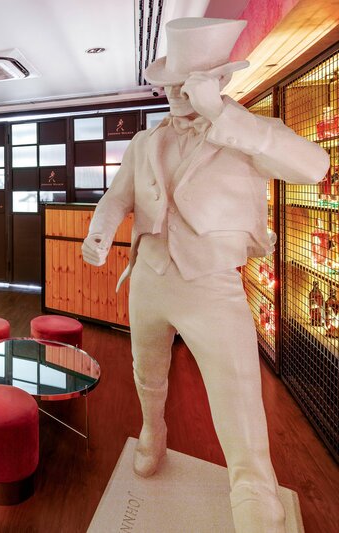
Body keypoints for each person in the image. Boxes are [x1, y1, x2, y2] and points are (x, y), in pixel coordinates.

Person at [82, 17, 329, 533]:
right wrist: (100, 231)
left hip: (212, 281)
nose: (175, 92)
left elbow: (314, 167)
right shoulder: (146, 142)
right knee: (147, 370)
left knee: (235, 384)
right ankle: (153, 432)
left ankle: (254, 488)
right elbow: (118, 195)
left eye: (188, 81)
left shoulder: (245, 134)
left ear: (219, 81)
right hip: (149, 276)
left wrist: (224, 116)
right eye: (170, 81)